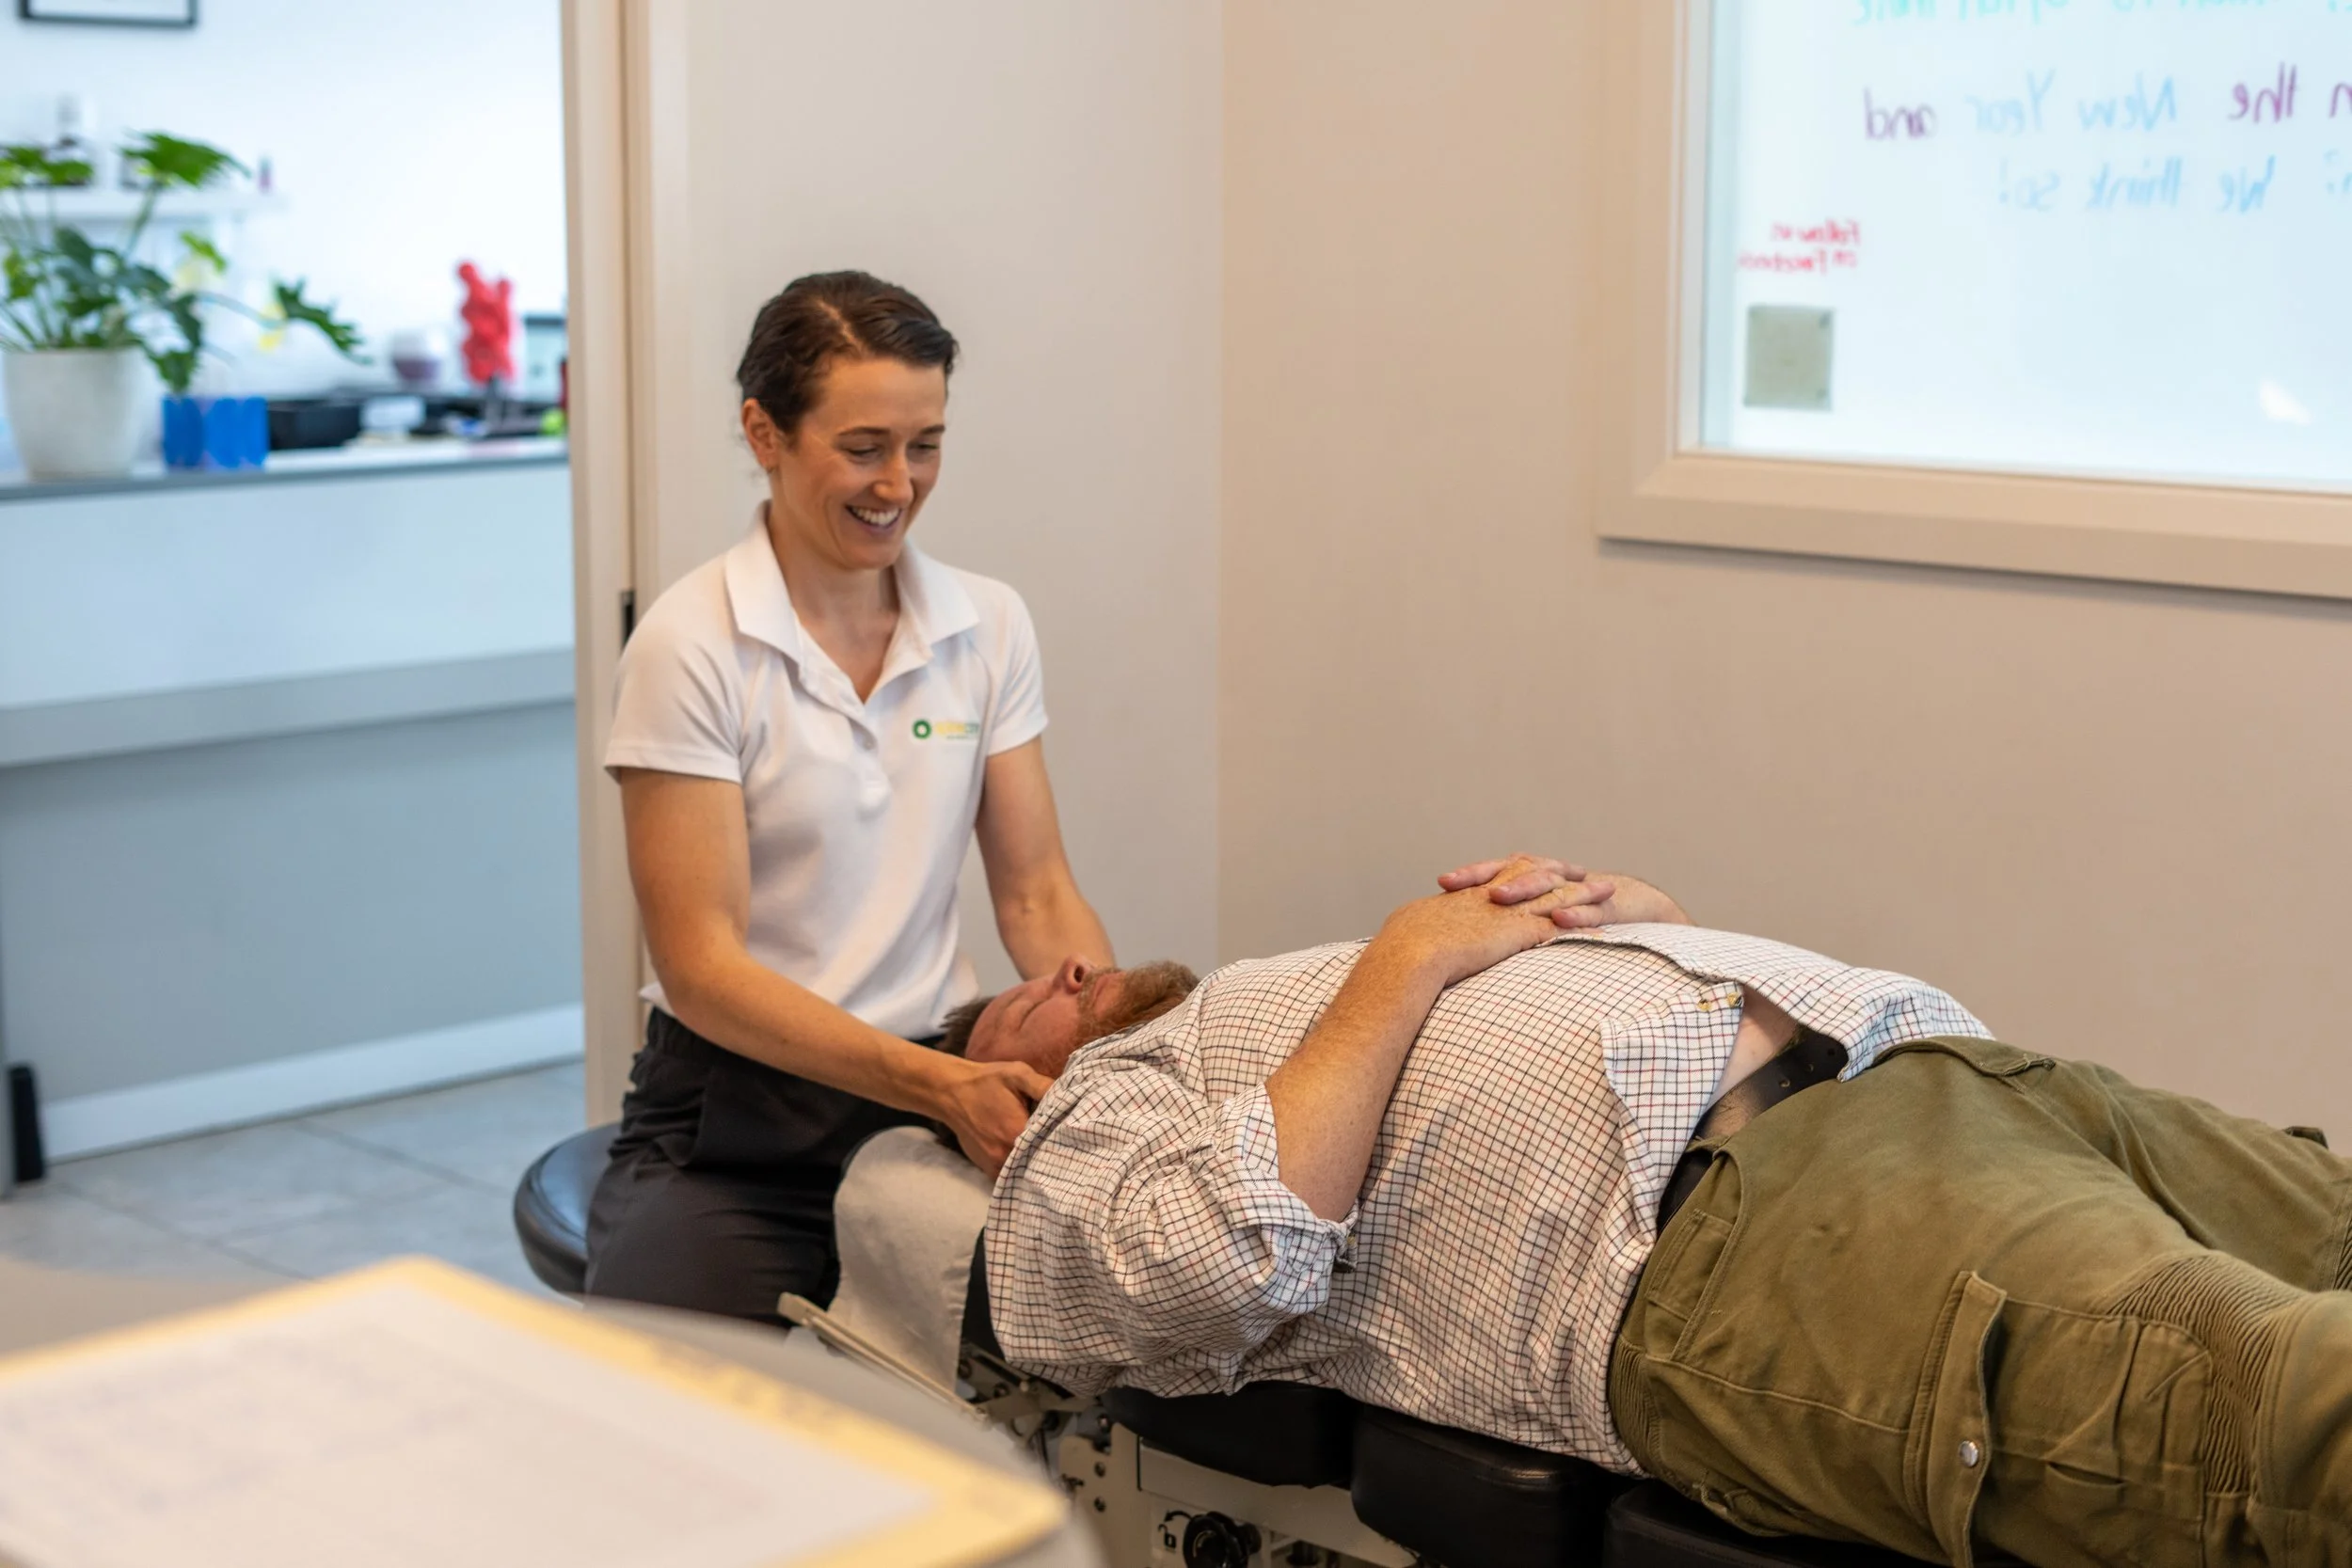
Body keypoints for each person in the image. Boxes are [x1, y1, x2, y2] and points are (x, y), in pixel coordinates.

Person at [964, 856, 2352, 1568]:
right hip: (1764, 1237)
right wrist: (1406, 960)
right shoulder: (1100, 1117)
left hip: (1949, 1079)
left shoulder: (1271, 1002)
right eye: (1024, 998)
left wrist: (1661, 934)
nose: (1070, 962)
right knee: (2285, 1408)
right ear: (1000, 1093)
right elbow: (1212, 1259)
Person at [586, 270, 1120, 1323]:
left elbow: (1036, 892)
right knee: (679, 1385)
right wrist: (934, 1088)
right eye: (864, 446)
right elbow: (700, 968)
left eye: (925, 444)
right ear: (764, 432)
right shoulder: (693, 645)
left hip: (936, 1079)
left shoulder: (986, 624)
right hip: (740, 1116)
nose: (899, 482)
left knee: (1060, 1360)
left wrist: (1116, 1047)